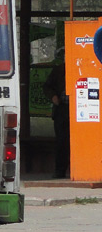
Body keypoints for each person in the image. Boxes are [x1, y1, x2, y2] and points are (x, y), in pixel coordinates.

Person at [43, 47, 70, 179]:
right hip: (62, 109)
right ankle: (60, 171)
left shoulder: (84, 67)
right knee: (62, 142)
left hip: (80, 110)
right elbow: (47, 86)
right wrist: (53, 96)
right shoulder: (59, 70)